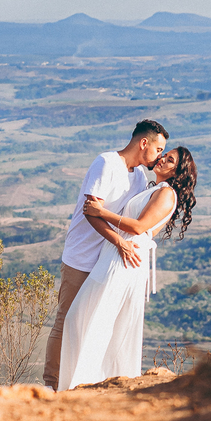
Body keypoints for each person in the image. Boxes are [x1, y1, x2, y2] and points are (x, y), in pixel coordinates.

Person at [56, 146, 197, 390]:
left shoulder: (167, 194)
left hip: (123, 260)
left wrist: (102, 212)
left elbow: (139, 227)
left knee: (89, 318)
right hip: (117, 254)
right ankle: (81, 383)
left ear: (178, 171)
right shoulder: (154, 188)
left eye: (170, 158)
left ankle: (82, 385)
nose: (162, 158)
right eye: (164, 154)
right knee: (84, 319)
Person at [42, 120, 168, 391]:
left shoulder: (139, 177)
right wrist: (120, 243)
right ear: (143, 143)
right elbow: (91, 211)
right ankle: (52, 386)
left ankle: (81, 381)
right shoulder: (106, 163)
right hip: (81, 257)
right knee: (67, 320)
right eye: (158, 149)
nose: (159, 156)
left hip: (106, 262)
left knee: (92, 324)